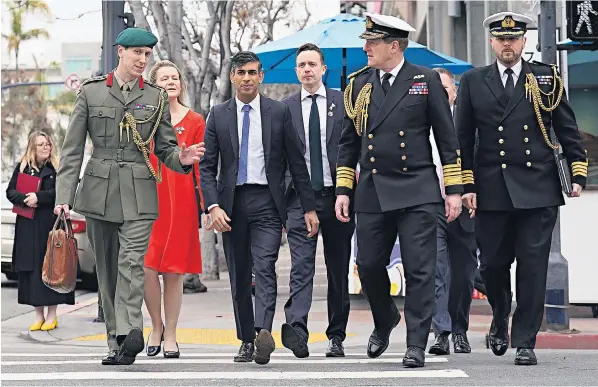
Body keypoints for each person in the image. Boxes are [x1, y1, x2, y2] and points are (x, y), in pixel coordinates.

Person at [54, 28, 204, 366]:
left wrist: (180, 159)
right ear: (120, 52)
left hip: (140, 193)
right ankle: (115, 341)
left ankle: (130, 332)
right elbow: (73, 149)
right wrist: (64, 196)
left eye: (148, 54)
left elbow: (165, 148)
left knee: (133, 263)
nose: (142, 60)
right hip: (98, 193)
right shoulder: (91, 93)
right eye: (137, 53)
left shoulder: (155, 97)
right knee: (107, 269)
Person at [457, 12, 588, 366]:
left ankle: (525, 339)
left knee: (533, 267)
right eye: (501, 39)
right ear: (492, 42)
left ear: (524, 41)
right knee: (495, 265)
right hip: (491, 189)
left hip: (537, 187)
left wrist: (578, 171)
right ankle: (501, 316)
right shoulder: (472, 81)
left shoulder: (545, 78)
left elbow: (566, 127)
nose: (507, 44)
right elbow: (463, 139)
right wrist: (465, 184)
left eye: (513, 39)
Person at [335, 13, 463, 368]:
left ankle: (416, 343)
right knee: (368, 264)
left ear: (394, 46)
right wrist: (344, 190)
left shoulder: (424, 80)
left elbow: (447, 138)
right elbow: (349, 142)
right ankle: (386, 317)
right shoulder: (358, 84)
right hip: (374, 189)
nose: (365, 48)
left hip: (418, 188)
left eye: (372, 43)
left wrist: (453, 189)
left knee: (421, 268)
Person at [200, 51, 319, 365]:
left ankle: (262, 332)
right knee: (239, 275)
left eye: (253, 72)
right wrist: (212, 206)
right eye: (241, 73)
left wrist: (308, 207)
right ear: (233, 77)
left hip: (268, 202)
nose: (247, 78)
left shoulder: (278, 112)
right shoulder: (218, 114)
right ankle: (245, 339)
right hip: (231, 206)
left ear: (261, 76)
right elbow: (207, 167)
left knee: (265, 267)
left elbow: (297, 161)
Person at [280, 43, 355, 358]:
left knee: (338, 270)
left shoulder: (343, 101)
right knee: (301, 267)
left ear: (324, 69)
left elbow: (356, 146)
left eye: (312, 64)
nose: (307, 69)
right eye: (301, 65)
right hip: (300, 199)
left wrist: (348, 189)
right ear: (296, 71)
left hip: (338, 197)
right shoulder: (285, 108)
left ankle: (336, 335)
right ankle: (297, 330)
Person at [143, 60, 206, 359]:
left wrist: (206, 207)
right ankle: (155, 326)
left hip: (180, 201)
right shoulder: (144, 117)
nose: (170, 81)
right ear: (153, 83)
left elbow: (200, 170)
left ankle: (171, 334)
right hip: (147, 198)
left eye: (175, 77)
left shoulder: (195, 120)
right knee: (146, 267)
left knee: (174, 272)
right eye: (164, 77)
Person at [428, 67, 478, 356]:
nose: (439, 92)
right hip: (432, 206)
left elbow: (479, 157)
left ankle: (460, 330)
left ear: (454, 92)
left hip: (465, 208)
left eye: (444, 88)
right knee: (436, 270)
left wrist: (471, 192)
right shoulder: (419, 122)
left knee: (463, 275)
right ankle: (441, 332)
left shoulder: (467, 121)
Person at [6, 131, 74, 331]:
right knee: (32, 271)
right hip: (27, 226)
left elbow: (61, 192)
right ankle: (38, 315)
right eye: (41, 144)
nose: (46, 147)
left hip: (49, 226)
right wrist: (25, 198)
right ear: (32, 148)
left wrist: (39, 197)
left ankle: (52, 315)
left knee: (52, 268)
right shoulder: (23, 168)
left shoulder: (56, 168)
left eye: (48, 144)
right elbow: (10, 191)